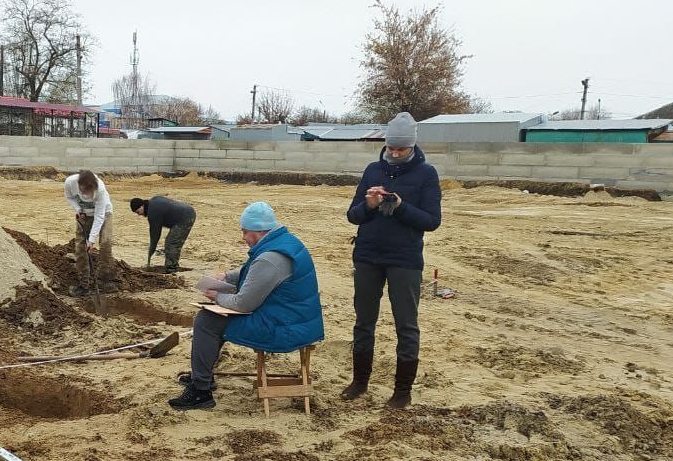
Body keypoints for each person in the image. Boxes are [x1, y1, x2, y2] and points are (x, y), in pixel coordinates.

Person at [170, 202, 324, 411]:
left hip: (283, 328)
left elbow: (243, 304)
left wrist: (217, 297)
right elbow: (251, 272)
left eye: (245, 231)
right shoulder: (283, 242)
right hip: (296, 319)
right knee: (215, 318)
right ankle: (203, 377)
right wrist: (226, 277)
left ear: (258, 231)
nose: (243, 237)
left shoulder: (270, 258)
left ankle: (201, 391)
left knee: (206, 321)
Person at [342, 112, 442, 409]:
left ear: (412, 146)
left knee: (406, 326)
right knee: (363, 322)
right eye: (391, 148)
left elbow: (432, 221)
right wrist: (370, 204)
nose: (395, 154)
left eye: (402, 149)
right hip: (368, 256)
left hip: (405, 260)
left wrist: (399, 205)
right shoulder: (373, 170)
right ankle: (359, 382)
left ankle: (402, 391)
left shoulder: (427, 174)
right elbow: (352, 215)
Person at [63, 169, 118, 295]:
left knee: (105, 244)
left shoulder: (100, 189)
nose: (86, 196)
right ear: (79, 185)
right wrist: (78, 209)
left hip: (104, 214)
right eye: (84, 192)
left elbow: (99, 216)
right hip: (83, 215)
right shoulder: (70, 182)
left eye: (89, 193)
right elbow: (69, 197)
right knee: (80, 248)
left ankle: (104, 281)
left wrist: (91, 240)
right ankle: (84, 285)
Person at [130, 195, 195, 273]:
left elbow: (155, 234)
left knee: (171, 243)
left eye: (138, 212)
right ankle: (171, 266)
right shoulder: (153, 202)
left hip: (185, 217)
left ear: (142, 206)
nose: (139, 214)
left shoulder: (153, 212)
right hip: (185, 214)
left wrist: (151, 251)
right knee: (170, 241)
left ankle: (171, 269)